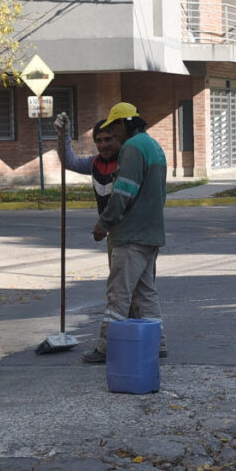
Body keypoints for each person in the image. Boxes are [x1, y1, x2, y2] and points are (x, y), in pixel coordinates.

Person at [81, 102, 168, 363]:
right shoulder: (153, 146)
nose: (113, 135)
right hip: (151, 232)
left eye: (114, 128)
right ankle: (158, 343)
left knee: (118, 294)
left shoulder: (132, 148)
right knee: (145, 293)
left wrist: (104, 223)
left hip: (130, 234)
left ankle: (105, 347)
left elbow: (123, 191)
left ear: (122, 124)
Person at [53, 112, 121, 261]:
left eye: (108, 139)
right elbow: (70, 162)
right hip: (113, 235)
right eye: (99, 141)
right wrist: (63, 136)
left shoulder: (127, 161)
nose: (103, 145)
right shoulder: (95, 163)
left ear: (119, 138)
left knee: (123, 283)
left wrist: (103, 224)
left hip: (129, 235)